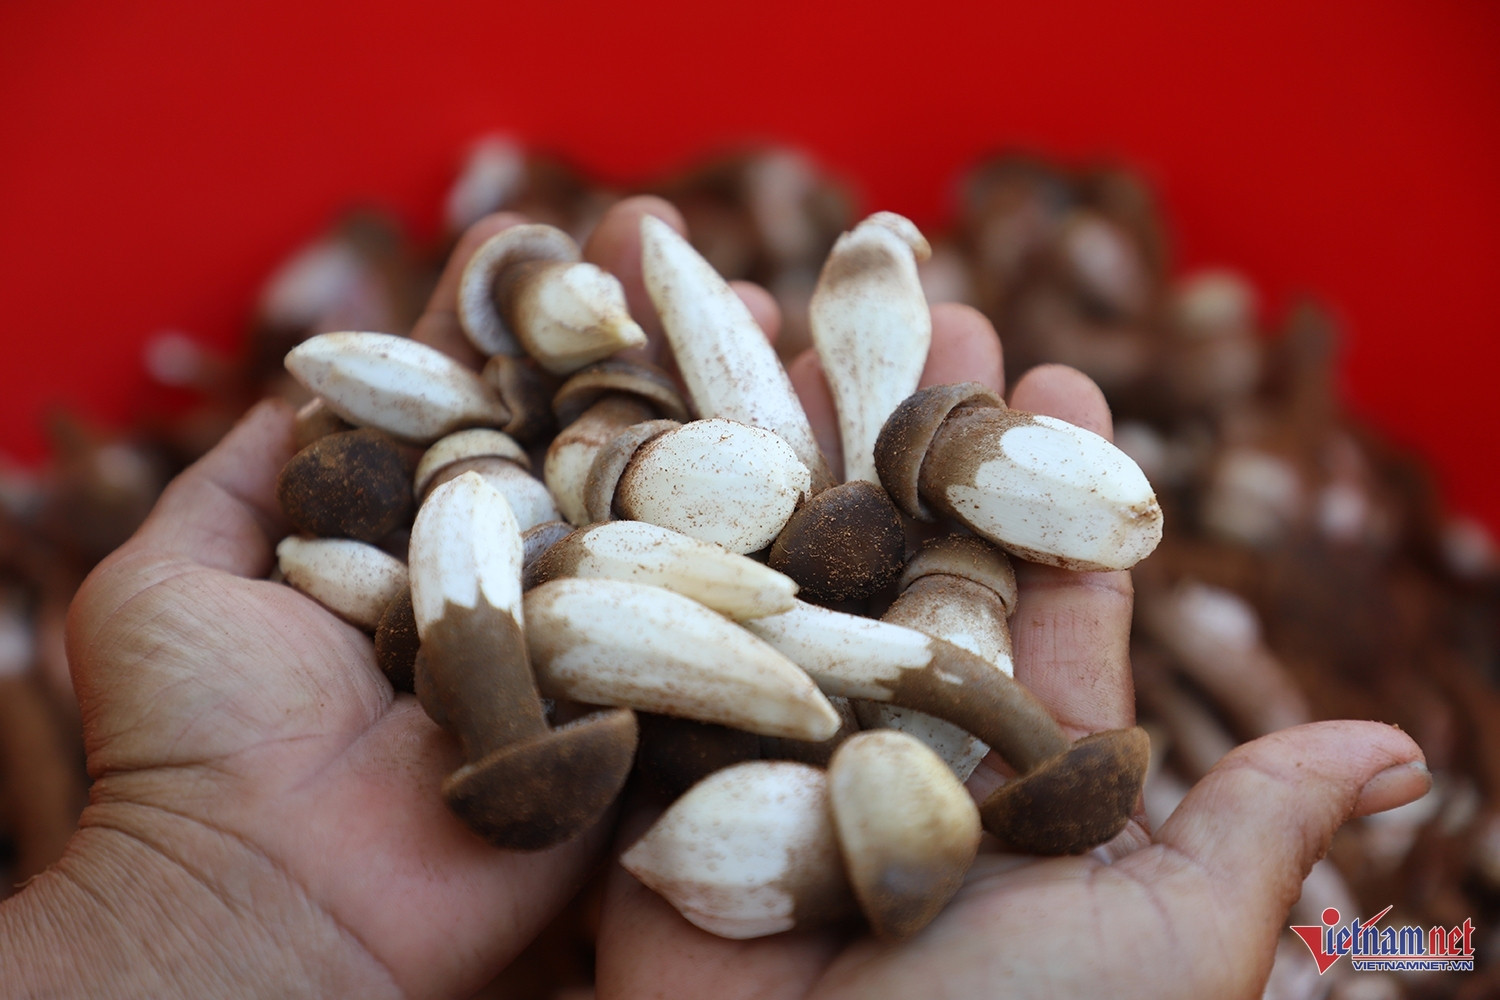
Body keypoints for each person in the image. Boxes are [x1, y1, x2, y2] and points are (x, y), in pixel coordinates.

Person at [0, 198, 1429, 999]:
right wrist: (199, 913)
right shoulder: (530, 533)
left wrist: (192, 917)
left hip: (657, 570)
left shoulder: (721, 539)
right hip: (617, 569)